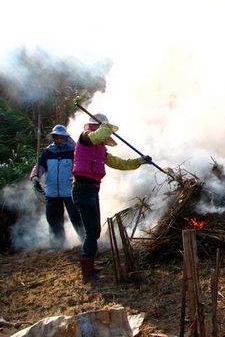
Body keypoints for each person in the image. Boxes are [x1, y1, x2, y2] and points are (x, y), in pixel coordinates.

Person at [72, 113, 151, 283]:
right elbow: (97, 136)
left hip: (91, 189)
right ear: (97, 127)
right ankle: (88, 273)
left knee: (95, 231)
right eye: (105, 132)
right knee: (92, 231)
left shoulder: (101, 149)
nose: (107, 137)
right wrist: (106, 125)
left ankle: (90, 266)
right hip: (82, 188)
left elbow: (120, 163)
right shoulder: (85, 138)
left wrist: (140, 161)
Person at [29, 125, 85, 251]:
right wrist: (35, 176)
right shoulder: (48, 152)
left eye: (61, 137)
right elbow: (40, 166)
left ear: (66, 138)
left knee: (76, 216)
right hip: (52, 191)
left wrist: (78, 179)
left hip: (70, 190)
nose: (59, 139)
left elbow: (80, 167)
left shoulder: (74, 151)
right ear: (53, 138)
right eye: (56, 137)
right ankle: (57, 245)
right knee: (54, 219)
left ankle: (85, 242)